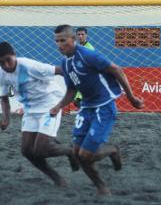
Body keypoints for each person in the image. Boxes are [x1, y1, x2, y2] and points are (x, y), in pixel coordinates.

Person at [50, 25, 144, 195]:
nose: (59, 44)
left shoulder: (88, 55)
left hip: (104, 106)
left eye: (63, 40)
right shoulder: (65, 63)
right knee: (76, 153)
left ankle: (112, 151)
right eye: (56, 41)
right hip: (86, 107)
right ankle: (101, 186)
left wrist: (131, 98)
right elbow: (71, 91)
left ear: (74, 39)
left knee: (85, 155)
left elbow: (117, 69)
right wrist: (58, 106)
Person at [0, 41, 79, 187]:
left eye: (8, 60)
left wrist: (80, 84)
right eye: (1, 62)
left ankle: (70, 152)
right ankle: (57, 178)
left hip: (50, 104)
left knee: (40, 150)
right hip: (30, 110)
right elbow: (4, 99)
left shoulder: (29, 66)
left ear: (14, 55)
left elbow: (60, 70)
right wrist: (6, 119)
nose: (6, 65)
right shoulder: (1, 73)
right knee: (27, 151)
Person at [74, 27, 95, 108]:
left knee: (78, 102)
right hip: (81, 78)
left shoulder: (89, 48)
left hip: (88, 78)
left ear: (86, 35)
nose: (80, 36)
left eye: (82, 34)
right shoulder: (78, 47)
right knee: (79, 102)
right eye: (78, 34)